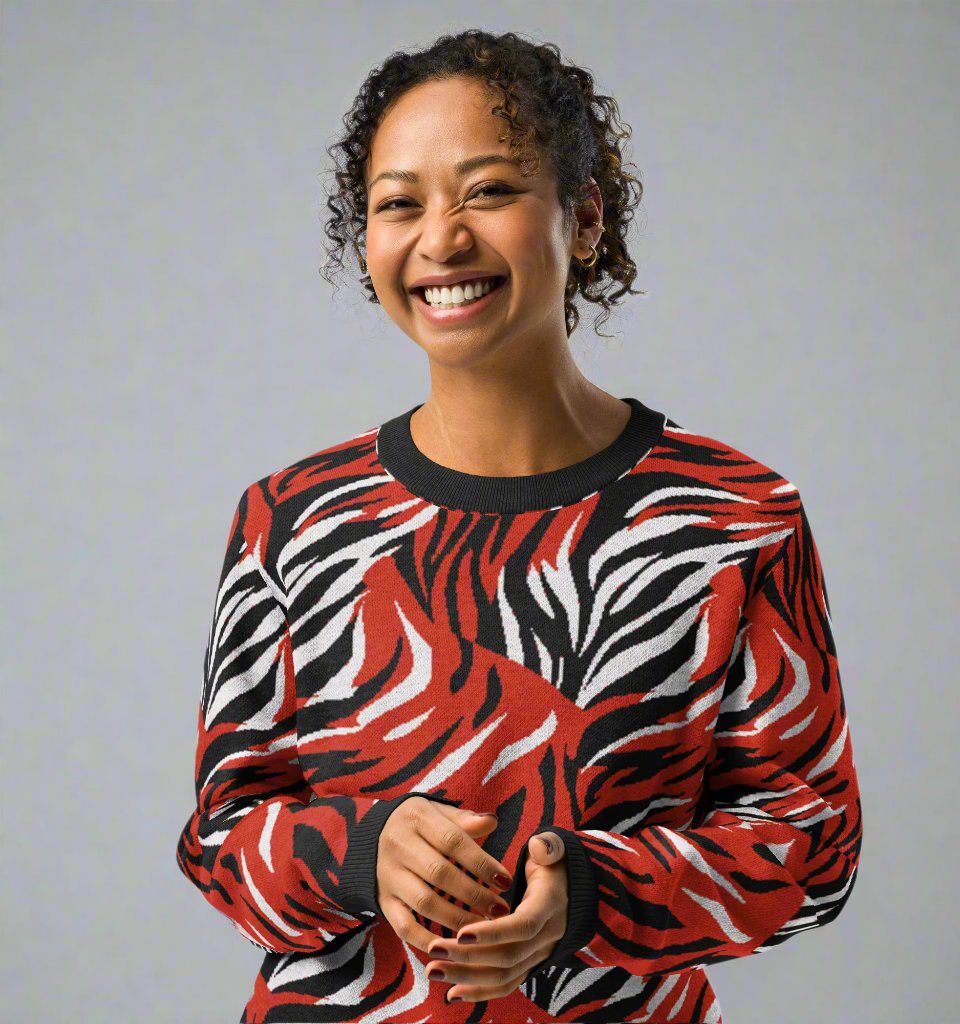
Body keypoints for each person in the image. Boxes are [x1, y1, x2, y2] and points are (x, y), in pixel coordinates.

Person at [175, 28, 863, 1024]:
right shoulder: (290, 517)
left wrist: (586, 895)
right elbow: (223, 837)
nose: (440, 238)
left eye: (488, 191)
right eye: (399, 203)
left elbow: (811, 843)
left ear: (583, 220)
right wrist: (364, 853)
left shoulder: (732, 517)